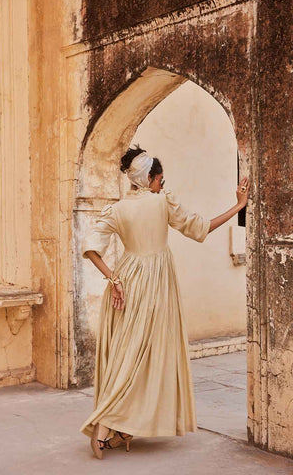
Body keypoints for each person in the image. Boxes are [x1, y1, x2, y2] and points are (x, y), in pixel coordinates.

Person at [79, 144, 250, 459]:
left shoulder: (117, 209)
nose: (162, 184)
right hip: (155, 283)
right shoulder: (162, 204)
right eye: (160, 179)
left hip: (127, 280)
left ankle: (121, 430)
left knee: (127, 353)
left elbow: (91, 246)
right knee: (145, 354)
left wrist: (113, 280)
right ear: (149, 179)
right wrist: (238, 205)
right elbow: (201, 228)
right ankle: (105, 425)